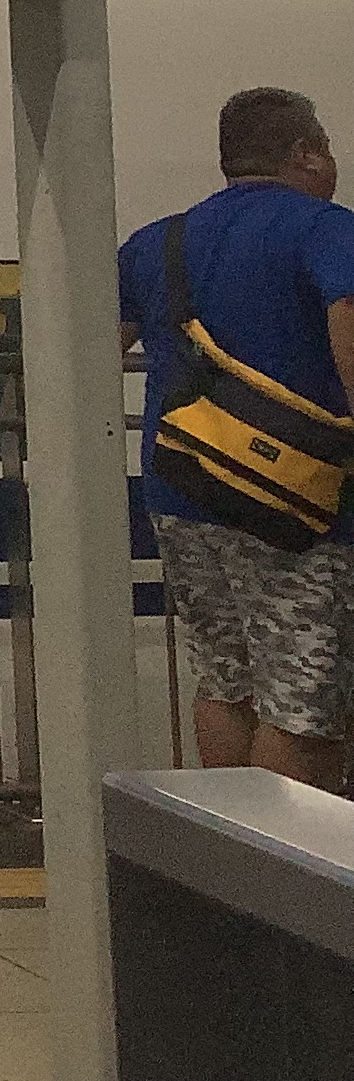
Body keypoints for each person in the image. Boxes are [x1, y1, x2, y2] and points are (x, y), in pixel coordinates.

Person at [119, 85, 354, 786]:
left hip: (182, 489)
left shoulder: (157, 242)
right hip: (303, 505)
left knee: (225, 682)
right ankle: (286, 855)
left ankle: (224, 845)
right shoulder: (327, 230)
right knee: (303, 707)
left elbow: (89, 349)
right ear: (304, 153)